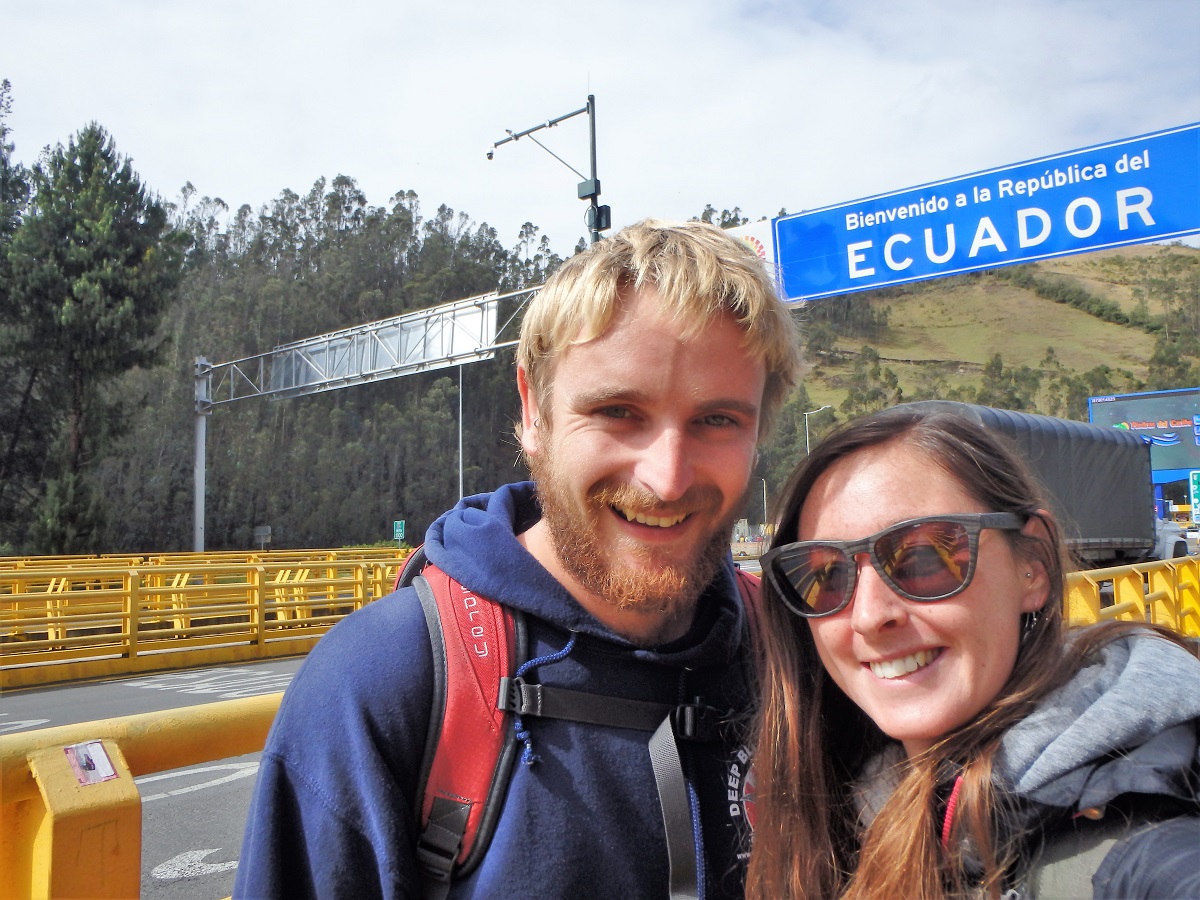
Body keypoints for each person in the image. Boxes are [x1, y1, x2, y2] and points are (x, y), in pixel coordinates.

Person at [233, 219, 801, 899]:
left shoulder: (796, 652)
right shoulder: (381, 684)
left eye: (717, 420)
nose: (668, 478)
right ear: (534, 410)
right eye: (619, 411)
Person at [746, 405, 1200, 899]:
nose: (868, 616)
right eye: (826, 576)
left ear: (1033, 565)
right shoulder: (842, 808)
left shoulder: (1142, 845)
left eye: (924, 556)